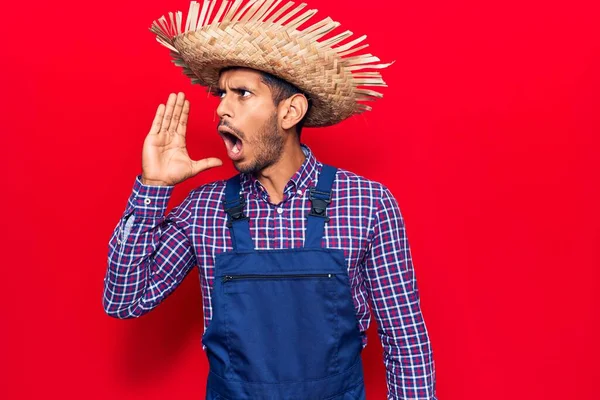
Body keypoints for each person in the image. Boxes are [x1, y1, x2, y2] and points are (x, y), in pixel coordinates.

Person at [103, 1, 436, 399]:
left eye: (242, 93)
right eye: (221, 95)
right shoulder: (203, 209)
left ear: (290, 111)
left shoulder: (367, 203)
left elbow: (406, 341)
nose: (222, 109)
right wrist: (152, 188)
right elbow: (124, 300)